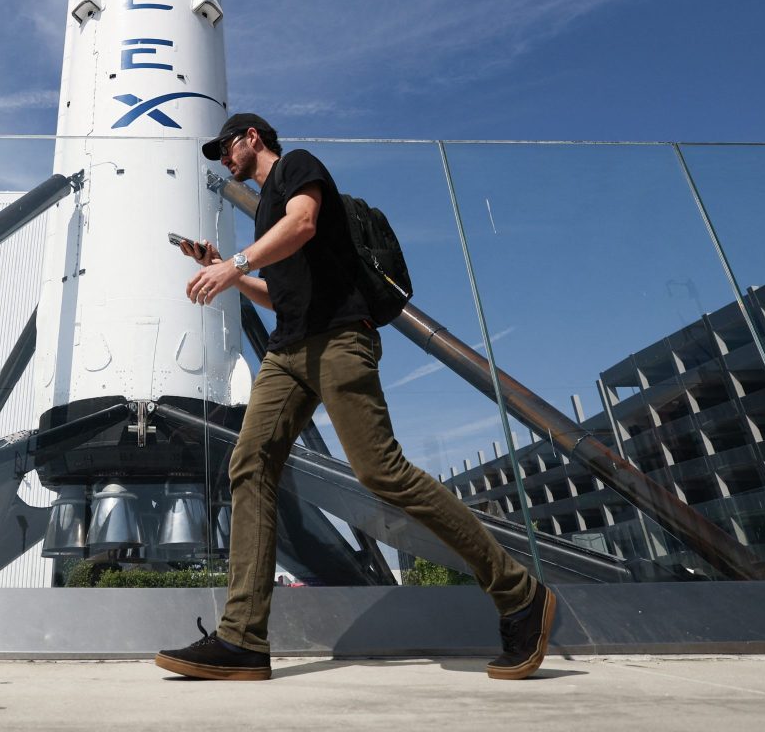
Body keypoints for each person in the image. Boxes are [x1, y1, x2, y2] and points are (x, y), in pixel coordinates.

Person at [154, 113, 556, 681]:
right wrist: (226, 269)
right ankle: (242, 639)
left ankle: (520, 593)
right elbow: (279, 296)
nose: (222, 159)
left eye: (225, 147)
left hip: (340, 339)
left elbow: (306, 223)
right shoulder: (266, 209)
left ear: (252, 138)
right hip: (287, 349)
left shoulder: (296, 168)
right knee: (249, 463)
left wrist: (235, 262)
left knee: (381, 472)